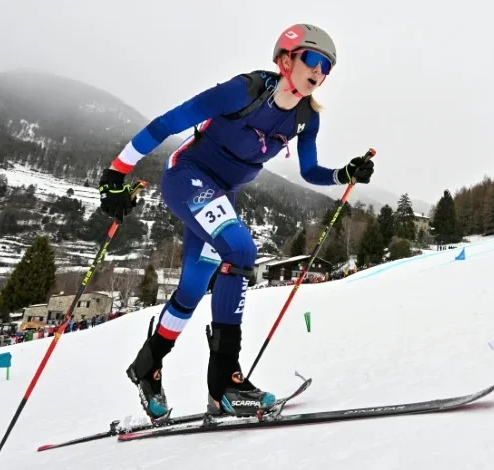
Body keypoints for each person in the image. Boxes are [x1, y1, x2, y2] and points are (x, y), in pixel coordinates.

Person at [98, 23, 374, 422]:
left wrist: (343, 173)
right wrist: (115, 172)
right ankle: (225, 384)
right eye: (313, 59)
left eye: (327, 67)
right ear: (285, 59)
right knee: (242, 249)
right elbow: (167, 123)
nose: (320, 71)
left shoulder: (305, 118)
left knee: (191, 291)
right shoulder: (244, 91)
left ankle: (148, 364)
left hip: (221, 194)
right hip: (187, 176)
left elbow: (310, 170)